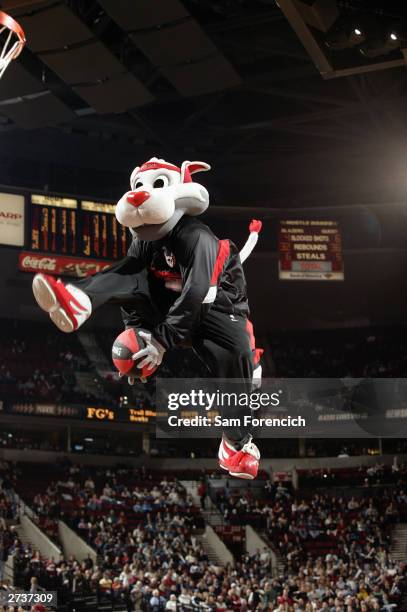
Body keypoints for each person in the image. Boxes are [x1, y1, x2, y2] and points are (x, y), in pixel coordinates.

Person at [32, 158, 263, 479]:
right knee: (131, 270)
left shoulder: (198, 237)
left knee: (237, 360)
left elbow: (197, 293)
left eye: (153, 186)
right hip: (171, 304)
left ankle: (235, 443)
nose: (142, 195)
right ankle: (80, 299)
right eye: (138, 186)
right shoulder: (143, 239)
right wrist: (136, 330)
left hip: (218, 308)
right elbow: (133, 280)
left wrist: (160, 341)